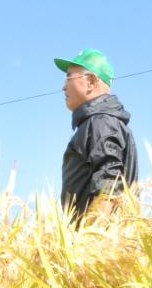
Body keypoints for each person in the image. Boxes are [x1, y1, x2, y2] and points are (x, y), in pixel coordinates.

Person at [54, 48, 138, 224]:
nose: (63, 86)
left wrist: (92, 241)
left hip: (95, 244)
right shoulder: (102, 121)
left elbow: (108, 188)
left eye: (69, 77)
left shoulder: (100, 122)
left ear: (91, 81)